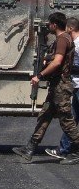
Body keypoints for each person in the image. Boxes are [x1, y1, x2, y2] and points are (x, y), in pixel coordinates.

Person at [13, 11, 79, 164]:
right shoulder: (64, 39)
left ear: (54, 24)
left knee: (66, 120)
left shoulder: (63, 39)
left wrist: (40, 75)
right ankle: (30, 148)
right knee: (45, 116)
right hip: (57, 85)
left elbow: (57, 62)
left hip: (61, 86)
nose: (48, 26)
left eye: (50, 24)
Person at [45, 16, 79, 160]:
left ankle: (64, 150)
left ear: (70, 28)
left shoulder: (77, 44)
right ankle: (64, 149)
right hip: (77, 85)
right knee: (73, 118)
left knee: (72, 118)